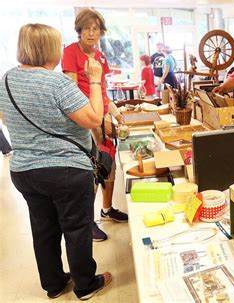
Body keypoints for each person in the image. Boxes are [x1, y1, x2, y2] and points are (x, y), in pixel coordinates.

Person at [0, 23, 111, 300]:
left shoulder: (5, 81)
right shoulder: (57, 82)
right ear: (49, 49)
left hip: (24, 170)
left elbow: (5, 118)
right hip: (66, 169)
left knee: (43, 228)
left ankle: (54, 284)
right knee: (76, 228)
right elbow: (94, 119)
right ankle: (85, 285)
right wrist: (95, 79)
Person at [62, 8, 128, 242]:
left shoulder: (100, 56)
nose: (91, 33)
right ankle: (87, 222)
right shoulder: (70, 52)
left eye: (96, 29)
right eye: (86, 28)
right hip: (83, 121)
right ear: (79, 30)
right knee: (90, 172)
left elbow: (103, 92)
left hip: (101, 116)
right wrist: (96, 123)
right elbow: (71, 93)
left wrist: (116, 114)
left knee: (108, 166)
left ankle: (107, 210)